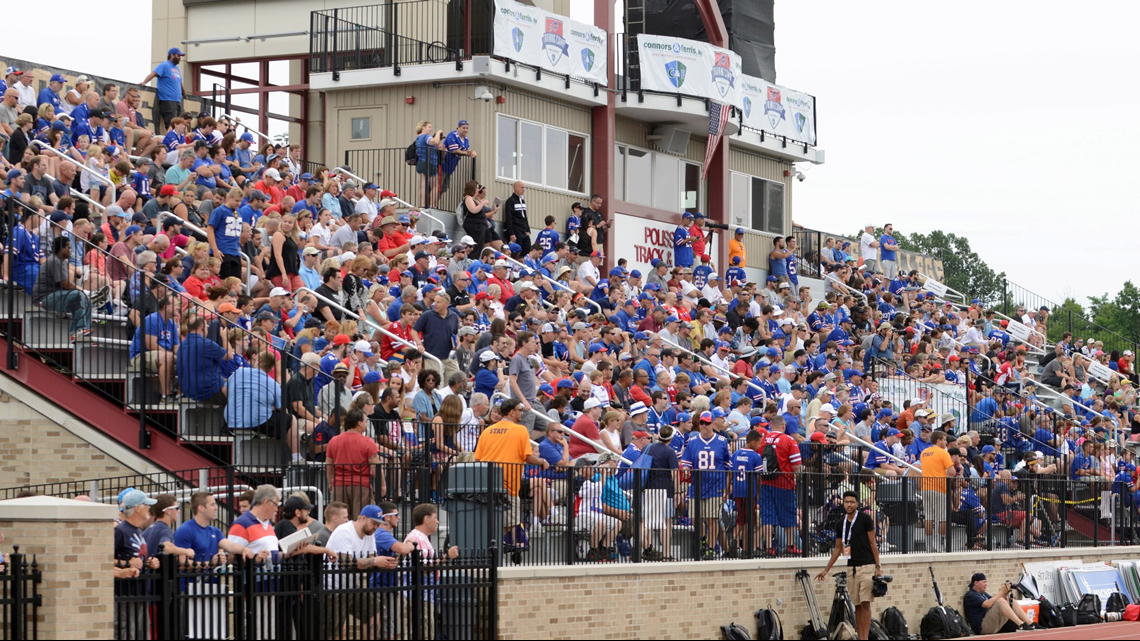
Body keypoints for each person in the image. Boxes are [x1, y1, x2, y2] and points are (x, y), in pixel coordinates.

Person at [474, 398, 550, 541]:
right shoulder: (520, 430)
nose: (522, 413)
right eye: (519, 410)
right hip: (509, 487)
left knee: (495, 521)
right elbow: (528, 458)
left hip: (487, 484)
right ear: (511, 412)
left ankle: (493, 546)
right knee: (511, 523)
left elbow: (477, 459)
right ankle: (494, 547)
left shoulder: (488, 430)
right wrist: (542, 461)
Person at [323, 504, 397, 639]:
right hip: (332, 588)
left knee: (375, 609)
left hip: (350, 587)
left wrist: (385, 562)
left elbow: (371, 559)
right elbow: (345, 562)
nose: (375, 527)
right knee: (335, 630)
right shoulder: (344, 531)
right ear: (363, 518)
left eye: (378, 524)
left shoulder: (370, 535)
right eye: (374, 523)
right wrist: (374, 561)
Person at [816, 491, 883, 641]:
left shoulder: (865, 519)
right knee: (857, 605)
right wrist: (826, 569)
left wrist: (878, 566)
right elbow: (838, 548)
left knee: (865, 603)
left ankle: (865, 638)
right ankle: (861, 636)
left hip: (867, 566)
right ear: (843, 503)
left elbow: (873, 543)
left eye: (852, 502)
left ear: (857, 504)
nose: (849, 504)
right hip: (851, 568)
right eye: (847, 502)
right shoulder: (841, 523)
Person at [403, 503, 459, 640]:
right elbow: (424, 568)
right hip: (418, 595)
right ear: (426, 519)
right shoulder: (417, 539)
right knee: (423, 630)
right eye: (435, 517)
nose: (438, 521)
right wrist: (446, 557)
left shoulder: (421, 538)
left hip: (424, 593)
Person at [33, 236, 104, 342]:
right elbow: (65, 284)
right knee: (79, 295)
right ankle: (77, 331)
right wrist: (83, 290)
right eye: (69, 248)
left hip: (56, 295)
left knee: (87, 299)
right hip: (43, 298)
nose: (71, 251)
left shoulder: (62, 261)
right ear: (62, 249)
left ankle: (85, 331)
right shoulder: (55, 261)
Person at [114, 490, 159, 640]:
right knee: (126, 633)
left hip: (139, 593)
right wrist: (126, 564)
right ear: (138, 508)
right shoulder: (120, 531)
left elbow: (138, 557)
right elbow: (101, 559)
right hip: (124, 594)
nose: (149, 509)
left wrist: (150, 562)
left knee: (142, 633)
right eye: (146, 505)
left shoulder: (138, 530)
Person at [326, 409, 381, 519]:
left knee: (340, 520)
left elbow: (329, 464)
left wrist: (330, 482)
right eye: (365, 421)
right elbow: (376, 466)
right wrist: (382, 484)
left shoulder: (334, 440)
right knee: (361, 519)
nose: (366, 424)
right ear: (359, 423)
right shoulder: (367, 441)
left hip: (339, 484)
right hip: (361, 484)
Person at [173, 491, 254, 564]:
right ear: (201, 508)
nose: (216, 508)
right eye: (212, 504)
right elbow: (182, 562)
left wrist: (244, 549)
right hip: (192, 580)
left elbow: (231, 546)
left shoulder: (215, 531)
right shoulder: (185, 530)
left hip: (211, 579)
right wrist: (210, 564)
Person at [963, 573, 1041, 635]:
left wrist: (1006, 592)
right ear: (976, 583)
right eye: (984, 582)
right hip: (982, 627)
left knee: (1010, 600)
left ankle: (1030, 623)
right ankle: (1021, 624)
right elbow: (988, 604)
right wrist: (1001, 592)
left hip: (992, 624)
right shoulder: (971, 595)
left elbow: (996, 601)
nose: (986, 584)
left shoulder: (983, 594)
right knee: (1000, 600)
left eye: (986, 582)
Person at [919, 430, 954, 553]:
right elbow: (952, 471)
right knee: (942, 517)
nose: (945, 442)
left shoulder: (924, 453)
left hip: (925, 487)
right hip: (939, 487)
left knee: (928, 516)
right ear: (938, 441)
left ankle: (928, 545)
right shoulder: (943, 453)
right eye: (944, 440)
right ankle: (939, 544)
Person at [141, 48, 187, 131]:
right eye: (178, 55)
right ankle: (171, 141)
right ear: (172, 55)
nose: (180, 58)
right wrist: (144, 82)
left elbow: (179, 81)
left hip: (177, 100)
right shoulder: (164, 65)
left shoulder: (177, 68)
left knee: (179, 124)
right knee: (172, 124)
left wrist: (184, 92)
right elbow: (153, 73)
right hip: (168, 100)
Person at [142, 494, 196, 562]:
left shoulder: (148, 529)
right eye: (176, 508)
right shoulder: (165, 530)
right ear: (168, 511)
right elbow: (166, 547)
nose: (179, 511)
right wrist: (187, 551)